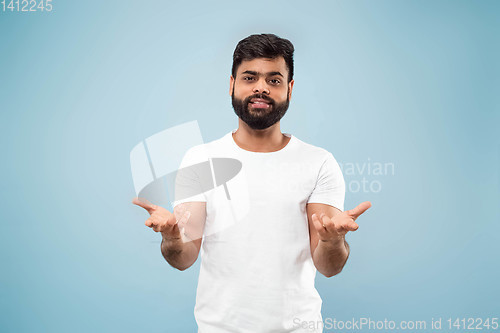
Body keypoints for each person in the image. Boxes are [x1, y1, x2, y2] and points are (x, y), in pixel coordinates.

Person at [132, 33, 371, 332]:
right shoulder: (201, 159)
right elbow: (183, 258)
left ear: (290, 88)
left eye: (274, 80)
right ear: (232, 84)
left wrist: (332, 240)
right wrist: (171, 236)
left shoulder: (319, 163)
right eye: (250, 77)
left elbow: (329, 266)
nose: (261, 87)